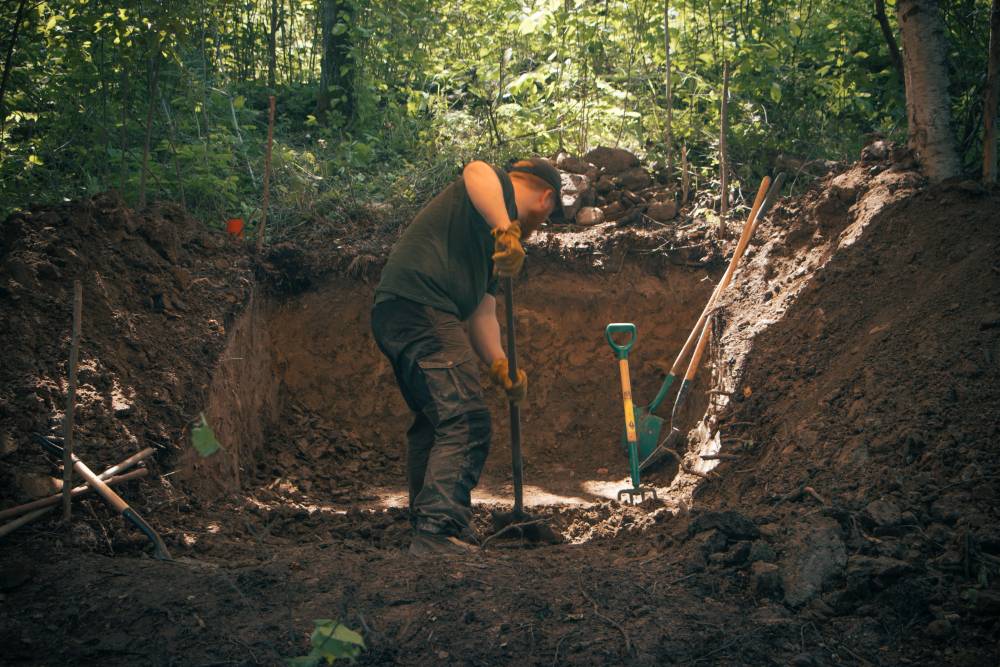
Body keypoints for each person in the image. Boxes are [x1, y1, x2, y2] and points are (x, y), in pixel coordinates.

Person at [371, 158, 564, 556]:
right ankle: (439, 531)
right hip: (421, 306)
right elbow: (475, 170)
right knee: (467, 418)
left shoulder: (489, 242)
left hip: (399, 311)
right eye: (545, 219)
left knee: (436, 421)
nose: (537, 229)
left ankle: (428, 524)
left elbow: (481, 311)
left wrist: (498, 364)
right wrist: (504, 227)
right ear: (546, 199)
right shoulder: (494, 190)